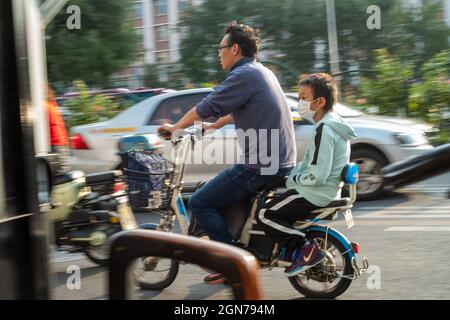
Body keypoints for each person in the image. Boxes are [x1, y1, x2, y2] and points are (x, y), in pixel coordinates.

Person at [158, 21, 297, 284]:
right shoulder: (261, 72)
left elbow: (206, 105)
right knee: (223, 192)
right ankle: (243, 249)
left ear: (234, 48)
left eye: (220, 47)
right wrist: (213, 126)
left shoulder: (243, 75)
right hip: (278, 161)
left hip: (261, 164)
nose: (218, 53)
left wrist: (176, 128)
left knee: (199, 201)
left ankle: (231, 263)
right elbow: (239, 108)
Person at [256, 73, 357, 277]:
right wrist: (292, 173)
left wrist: (295, 179)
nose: (299, 103)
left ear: (319, 101)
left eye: (303, 98)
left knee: (264, 214)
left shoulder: (324, 129)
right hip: (327, 190)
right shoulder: (335, 123)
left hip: (315, 192)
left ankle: (306, 248)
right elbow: (313, 161)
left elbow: (318, 174)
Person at [46, 85, 70, 174]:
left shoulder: (48, 105)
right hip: (59, 142)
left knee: (60, 171)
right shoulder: (51, 105)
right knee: (61, 170)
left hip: (56, 142)